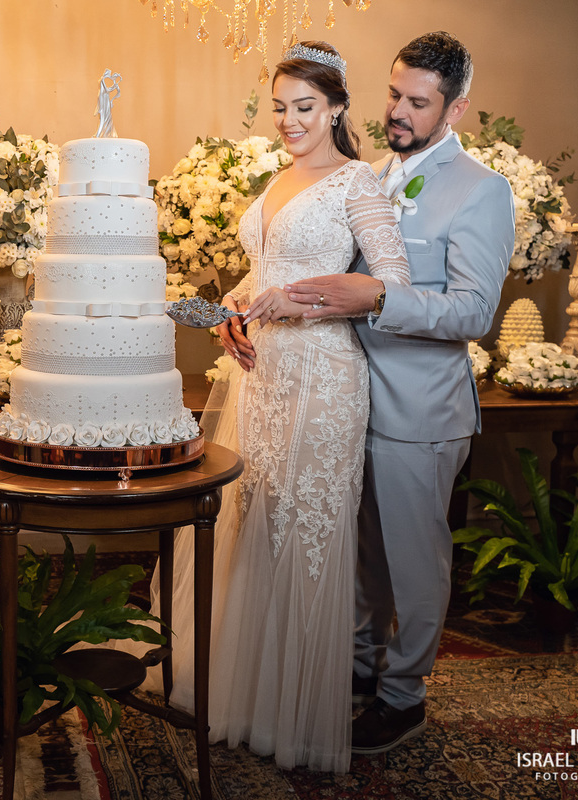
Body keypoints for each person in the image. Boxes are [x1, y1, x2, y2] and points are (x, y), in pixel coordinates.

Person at [157, 41, 411, 773]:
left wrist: (295, 301)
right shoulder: (275, 181)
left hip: (325, 379)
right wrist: (235, 307)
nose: (290, 121)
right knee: (251, 520)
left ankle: (293, 715)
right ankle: (237, 697)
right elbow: (261, 270)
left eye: (305, 107)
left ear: (335, 108)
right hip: (258, 376)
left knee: (304, 534)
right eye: (280, 108)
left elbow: (390, 280)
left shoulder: (357, 180)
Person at [282, 31, 516, 755]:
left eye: (419, 102)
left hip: (420, 412)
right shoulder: (364, 174)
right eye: (393, 94)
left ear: (457, 106)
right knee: (359, 556)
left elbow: (475, 313)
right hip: (344, 400)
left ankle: (403, 696)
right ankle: (358, 673)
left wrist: (380, 295)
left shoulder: (482, 190)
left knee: (414, 562)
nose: (399, 112)